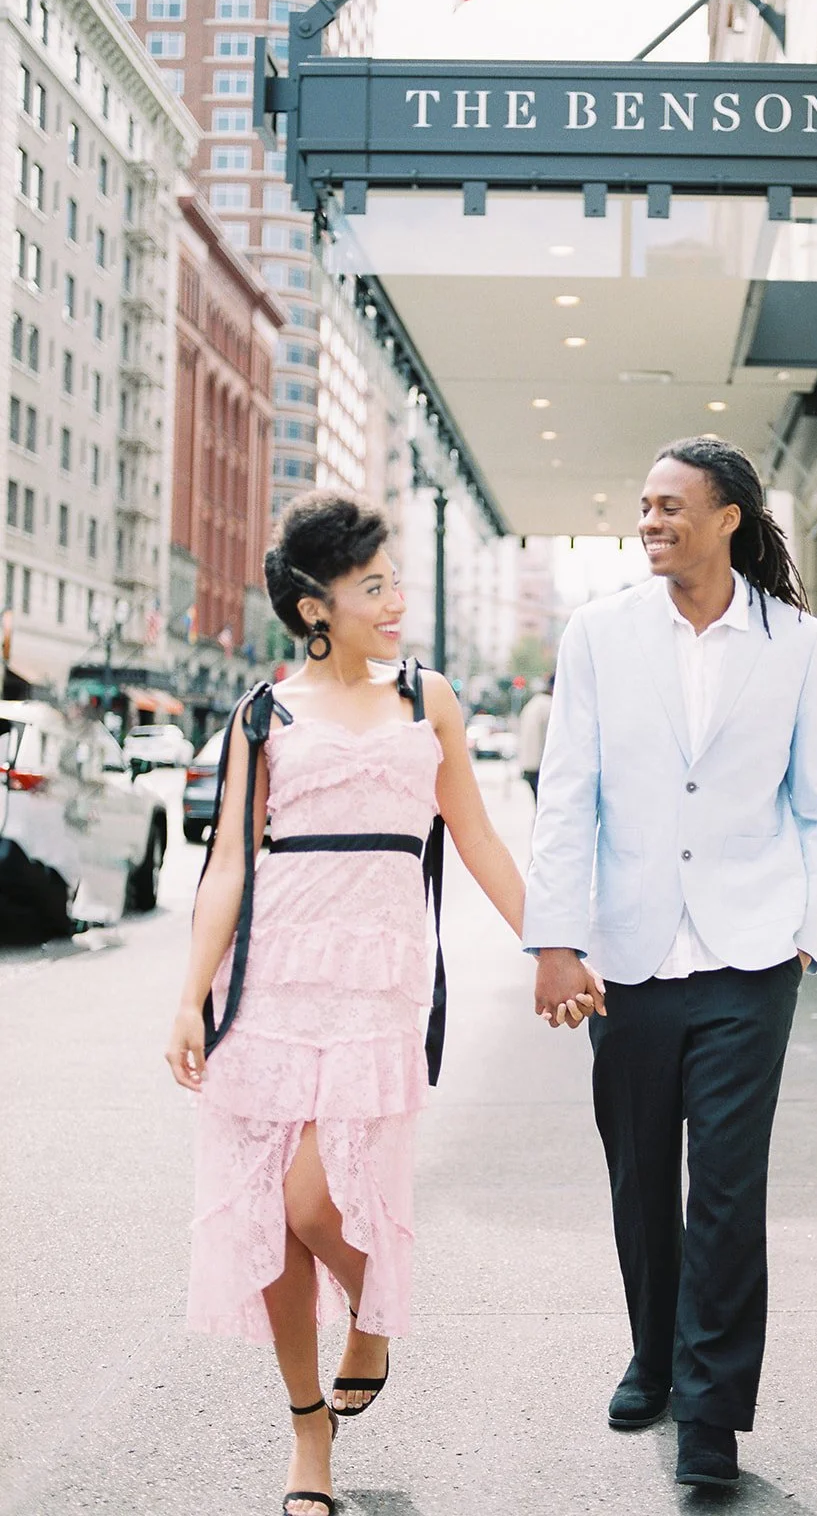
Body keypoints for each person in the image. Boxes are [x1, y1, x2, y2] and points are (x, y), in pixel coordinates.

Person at [164, 491, 597, 1516]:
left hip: (374, 983)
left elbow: (481, 840)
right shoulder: (261, 715)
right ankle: (307, 1438)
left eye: (395, 578)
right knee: (272, 1218)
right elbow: (227, 863)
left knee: (318, 1199)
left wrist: (554, 945)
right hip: (267, 983)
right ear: (316, 607)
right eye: (373, 585)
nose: (396, 599)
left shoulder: (426, 699)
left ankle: (372, 1305)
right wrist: (189, 996)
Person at [523, 437, 817, 1489]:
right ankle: (653, 1352)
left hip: (750, 954)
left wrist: (803, 931)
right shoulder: (597, 633)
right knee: (638, 1178)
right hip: (625, 953)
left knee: (723, 1188)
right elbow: (566, 794)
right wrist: (553, 941)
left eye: (671, 505)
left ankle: (711, 1416)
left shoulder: (796, 642)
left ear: (729, 519)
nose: (650, 521)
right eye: (643, 505)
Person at [517, 674, 554, 801]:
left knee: (538, 803)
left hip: (528, 763)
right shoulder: (548, 706)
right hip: (540, 764)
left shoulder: (533, 703)